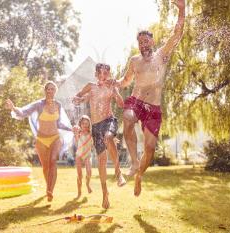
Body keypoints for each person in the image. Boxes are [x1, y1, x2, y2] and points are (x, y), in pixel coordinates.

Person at [109, 0, 185, 196]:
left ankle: (139, 175)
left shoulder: (162, 55)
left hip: (154, 108)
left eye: (146, 41)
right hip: (137, 101)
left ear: (152, 41)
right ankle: (134, 162)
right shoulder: (134, 61)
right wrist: (115, 83)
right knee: (127, 118)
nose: (143, 44)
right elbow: (125, 81)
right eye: (140, 42)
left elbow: (177, 35)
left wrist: (182, 9)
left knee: (150, 149)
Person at [5, 81, 72, 202]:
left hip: (55, 138)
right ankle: (48, 188)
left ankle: (50, 190)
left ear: (55, 91)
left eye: (52, 89)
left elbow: (59, 123)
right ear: (45, 91)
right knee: (46, 167)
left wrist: (71, 128)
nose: (50, 91)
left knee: (52, 161)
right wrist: (13, 108)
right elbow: (24, 113)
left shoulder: (58, 105)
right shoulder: (38, 105)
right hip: (41, 140)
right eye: (48, 89)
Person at [73, 63, 126, 209]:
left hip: (108, 120)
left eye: (106, 74)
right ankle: (105, 195)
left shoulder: (111, 86)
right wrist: (76, 99)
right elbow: (78, 96)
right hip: (96, 127)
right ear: (96, 74)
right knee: (101, 161)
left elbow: (121, 104)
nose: (103, 76)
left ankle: (118, 172)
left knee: (109, 137)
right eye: (100, 73)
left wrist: (115, 91)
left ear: (109, 75)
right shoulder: (91, 86)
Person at [72, 115, 93, 198]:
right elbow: (77, 142)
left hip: (87, 155)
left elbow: (99, 138)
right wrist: (76, 133)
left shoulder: (91, 134)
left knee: (89, 172)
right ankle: (79, 191)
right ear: (80, 124)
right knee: (79, 175)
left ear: (89, 124)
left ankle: (87, 184)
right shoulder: (79, 133)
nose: (85, 125)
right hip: (79, 155)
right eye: (83, 123)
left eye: (87, 124)